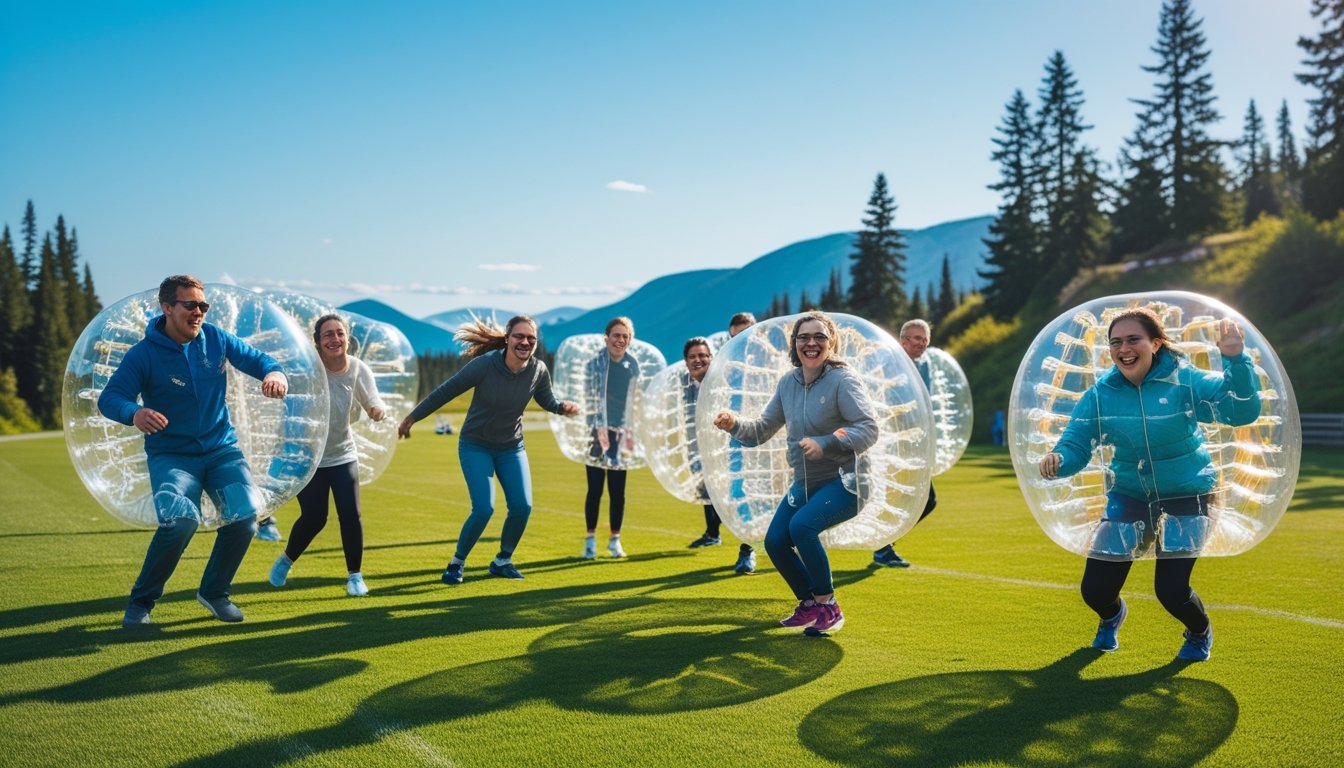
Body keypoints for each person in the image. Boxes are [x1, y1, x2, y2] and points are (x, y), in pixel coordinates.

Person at [1038, 307, 1261, 662]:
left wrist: (1235, 359)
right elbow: (1077, 442)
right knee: (1095, 590)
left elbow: (1241, 412)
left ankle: (1199, 631)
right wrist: (1060, 460)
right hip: (1130, 495)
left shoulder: (1184, 381)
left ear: (1155, 343)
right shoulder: (1101, 394)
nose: (1124, 348)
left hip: (1190, 494)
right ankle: (1111, 616)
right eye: (1115, 342)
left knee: (1171, 591)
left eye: (1133, 339)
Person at [99, 275, 289, 626]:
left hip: (222, 451)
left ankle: (214, 592)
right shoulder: (144, 355)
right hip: (172, 457)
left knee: (246, 518)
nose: (199, 312)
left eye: (203, 305)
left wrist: (274, 374)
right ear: (167, 308)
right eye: (191, 305)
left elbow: (259, 360)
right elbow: (110, 398)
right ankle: (141, 602)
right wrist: (135, 413)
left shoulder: (215, 338)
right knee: (179, 522)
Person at [713, 311, 879, 634]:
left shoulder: (843, 380)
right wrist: (733, 424)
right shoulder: (787, 383)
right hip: (806, 484)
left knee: (802, 526)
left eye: (820, 336)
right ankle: (809, 604)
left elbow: (868, 428)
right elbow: (760, 430)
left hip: (847, 482)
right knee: (775, 541)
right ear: (795, 344)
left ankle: (829, 607)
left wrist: (828, 443)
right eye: (804, 337)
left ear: (831, 343)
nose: (811, 343)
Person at [399, 315, 578, 584]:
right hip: (476, 445)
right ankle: (456, 564)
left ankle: (502, 560)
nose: (525, 342)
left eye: (531, 338)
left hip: (511, 448)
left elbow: (546, 399)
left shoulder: (538, 369)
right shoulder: (485, 365)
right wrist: (412, 417)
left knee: (522, 507)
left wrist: (561, 407)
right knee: (483, 509)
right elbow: (446, 391)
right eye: (519, 336)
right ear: (507, 339)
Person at [269, 314, 387, 597]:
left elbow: (373, 398)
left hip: (342, 454)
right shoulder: (307, 371)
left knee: (351, 514)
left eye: (340, 333)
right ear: (318, 343)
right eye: (328, 335)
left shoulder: (357, 369)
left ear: (347, 338)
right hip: (309, 457)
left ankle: (355, 576)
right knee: (314, 517)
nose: (335, 339)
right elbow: (288, 405)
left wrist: (376, 409)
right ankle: (286, 560)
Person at [873, 319, 938, 568]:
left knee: (926, 500)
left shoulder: (924, 367)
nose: (922, 343)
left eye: (925, 338)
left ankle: (884, 544)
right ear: (902, 341)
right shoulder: (889, 367)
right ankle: (882, 545)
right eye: (916, 338)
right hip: (888, 446)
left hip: (914, 446)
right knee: (896, 497)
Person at [581, 317, 645, 559]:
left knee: (618, 491)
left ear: (630, 340)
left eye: (625, 336)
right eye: (616, 335)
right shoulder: (594, 364)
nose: (620, 340)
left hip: (621, 435)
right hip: (596, 434)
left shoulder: (632, 365)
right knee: (594, 489)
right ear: (606, 337)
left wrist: (632, 430)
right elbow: (587, 398)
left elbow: (635, 401)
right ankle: (590, 540)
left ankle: (615, 540)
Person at [708, 312, 759, 574]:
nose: (741, 340)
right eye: (736, 336)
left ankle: (792, 549)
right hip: (737, 439)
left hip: (768, 439)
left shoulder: (768, 362)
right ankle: (746, 550)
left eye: (746, 334)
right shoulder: (724, 367)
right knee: (741, 493)